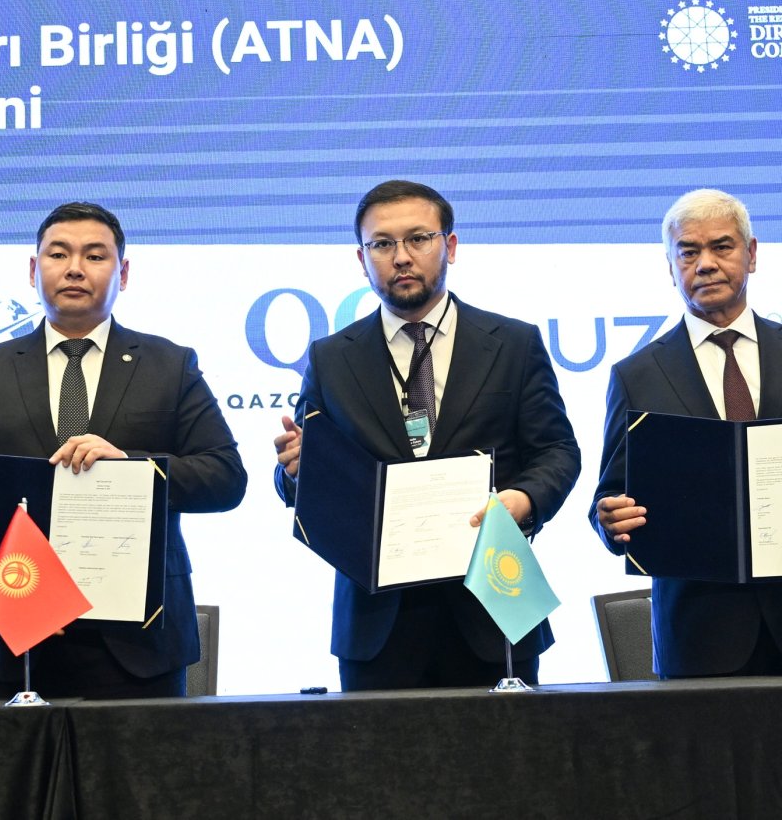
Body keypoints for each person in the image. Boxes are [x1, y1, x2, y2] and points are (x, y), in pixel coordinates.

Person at [0, 202, 246, 700]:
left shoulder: (169, 364)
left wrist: (134, 471)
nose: (75, 268)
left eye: (95, 256)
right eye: (58, 254)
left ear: (123, 272)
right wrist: (29, 599)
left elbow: (226, 477)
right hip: (14, 639)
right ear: (34, 270)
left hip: (139, 645)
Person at [273, 180, 580, 690]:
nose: (401, 257)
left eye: (419, 238)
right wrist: (296, 473)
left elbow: (557, 451)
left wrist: (523, 500)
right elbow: (299, 488)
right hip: (376, 623)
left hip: (495, 606)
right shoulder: (331, 358)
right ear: (361, 257)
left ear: (450, 246)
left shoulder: (513, 343)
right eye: (383, 244)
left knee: (509, 768)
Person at [591, 188, 782, 676]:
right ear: (670, 265)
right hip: (700, 636)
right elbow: (610, 498)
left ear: (752, 254)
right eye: (688, 251)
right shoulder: (637, 374)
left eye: (722, 246)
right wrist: (611, 522)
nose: (706, 264)